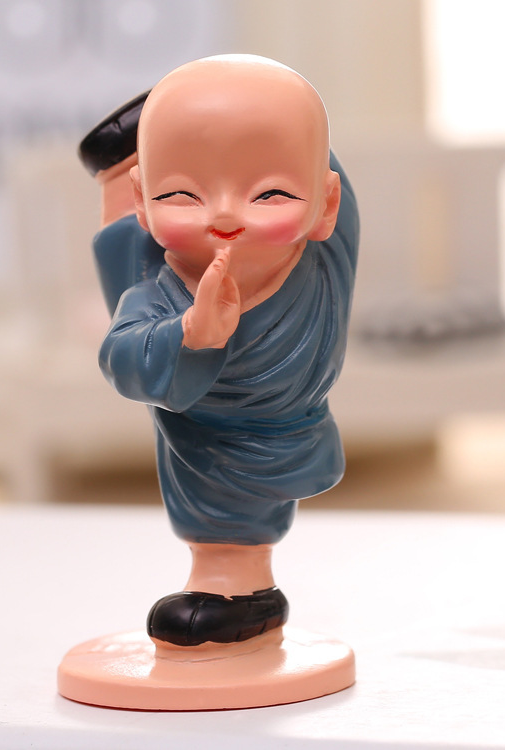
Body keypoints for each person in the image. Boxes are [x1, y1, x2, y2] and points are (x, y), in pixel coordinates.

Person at [84, 55, 359, 648]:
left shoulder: (323, 260)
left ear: (325, 206)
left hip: (269, 440)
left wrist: (237, 101)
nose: (226, 215)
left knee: (230, 519)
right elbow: (121, 358)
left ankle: (236, 581)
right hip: (204, 443)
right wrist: (189, 334)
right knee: (125, 249)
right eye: (182, 195)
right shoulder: (156, 294)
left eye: (270, 194)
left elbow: (306, 154)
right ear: (145, 200)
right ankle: (121, 166)